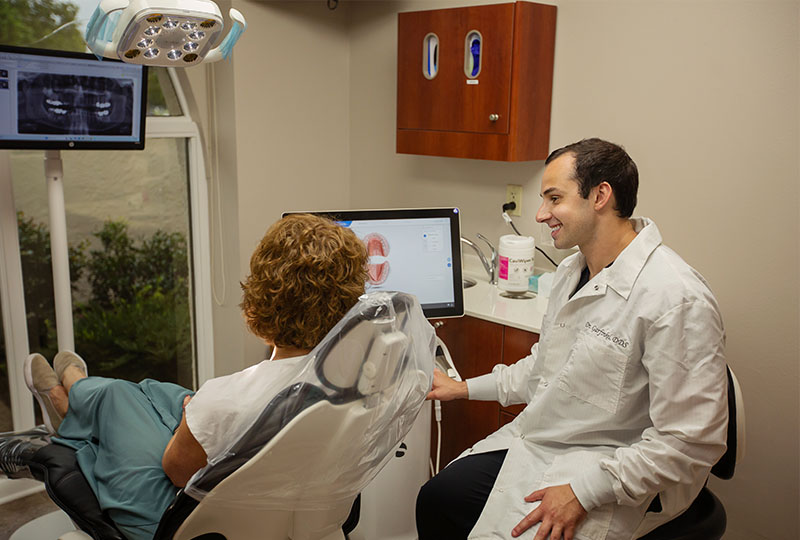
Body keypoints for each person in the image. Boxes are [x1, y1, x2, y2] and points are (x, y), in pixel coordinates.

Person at [416, 138, 728, 540]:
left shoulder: (674, 297)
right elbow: (544, 367)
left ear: (600, 195)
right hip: (547, 442)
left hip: (616, 468)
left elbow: (691, 442)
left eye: (553, 198)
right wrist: (462, 388)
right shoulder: (571, 272)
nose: (542, 214)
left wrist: (583, 491)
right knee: (438, 498)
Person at [21, 213, 368, 540]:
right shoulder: (356, 383)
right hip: (294, 515)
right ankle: (76, 396)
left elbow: (179, 472)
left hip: (187, 525)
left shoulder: (228, 399)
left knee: (119, 397)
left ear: (259, 302)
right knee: (156, 392)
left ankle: (70, 398)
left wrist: (186, 425)